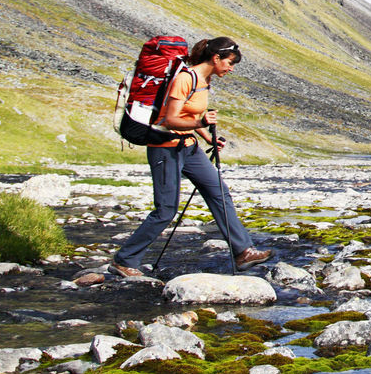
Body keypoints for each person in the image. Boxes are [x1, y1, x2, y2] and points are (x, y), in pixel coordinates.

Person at [111, 36, 271, 276]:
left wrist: (208, 138)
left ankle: (243, 252)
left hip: (189, 146)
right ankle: (124, 260)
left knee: (219, 191)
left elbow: (187, 114)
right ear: (215, 58)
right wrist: (201, 121)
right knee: (166, 210)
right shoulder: (186, 78)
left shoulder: (205, 79)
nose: (231, 68)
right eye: (229, 62)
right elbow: (170, 119)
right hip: (165, 147)